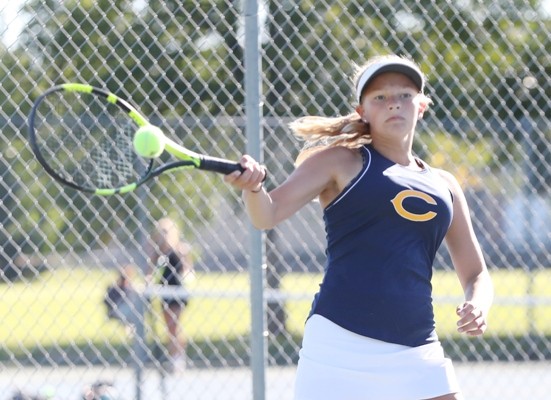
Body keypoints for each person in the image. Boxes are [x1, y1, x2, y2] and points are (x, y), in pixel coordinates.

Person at [224, 54, 494, 400]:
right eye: (380, 97)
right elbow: (267, 215)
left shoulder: (445, 185)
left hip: (417, 347)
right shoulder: (341, 161)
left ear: (422, 106)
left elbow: (476, 274)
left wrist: (478, 304)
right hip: (338, 344)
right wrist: (253, 189)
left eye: (404, 95)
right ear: (361, 111)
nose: (393, 104)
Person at [146, 217, 193, 371]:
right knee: (169, 327)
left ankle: (178, 357)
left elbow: (187, 269)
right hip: (164, 292)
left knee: (174, 326)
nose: (164, 235)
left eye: (166, 232)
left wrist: (187, 274)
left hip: (177, 291)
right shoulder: (158, 253)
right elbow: (151, 271)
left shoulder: (179, 250)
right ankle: (174, 356)